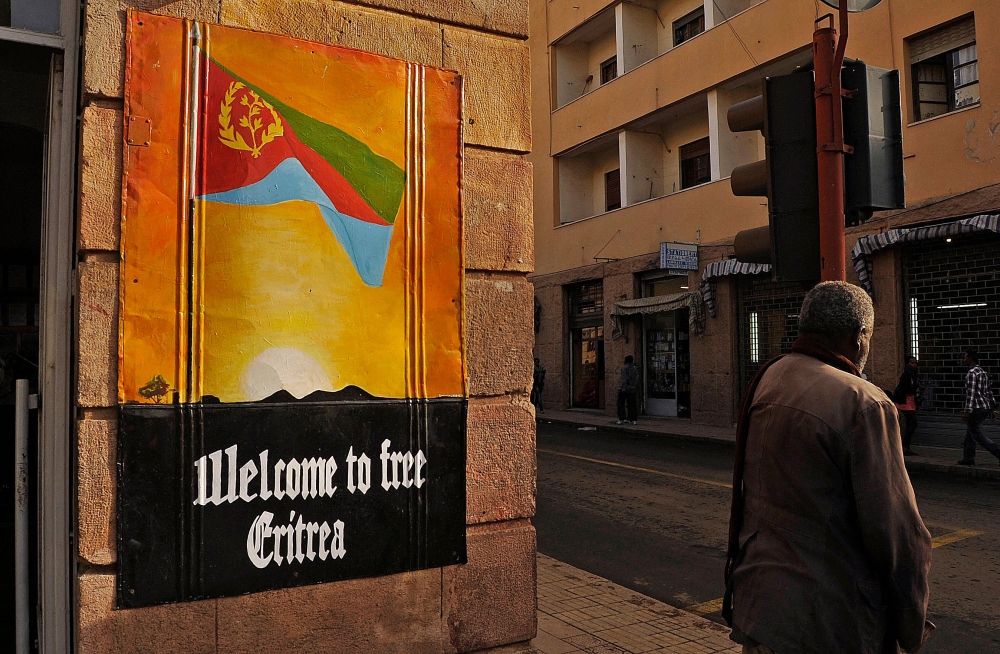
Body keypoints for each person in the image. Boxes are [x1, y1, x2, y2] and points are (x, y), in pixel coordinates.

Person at [724, 282, 933, 654]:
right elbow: (897, 535)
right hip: (827, 623)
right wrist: (911, 627)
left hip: (761, 607)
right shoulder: (863, 402)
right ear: (859, 337)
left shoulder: (769, 378)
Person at [957, 348, 1000, 466]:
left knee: (977, 435)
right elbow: (988, 392)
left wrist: (967, 411)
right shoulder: (983, 373)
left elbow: (970, 394)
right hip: (985, 407)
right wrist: (992, 408)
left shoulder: (972, 373)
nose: (964, 359)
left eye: (965, 357)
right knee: (970, 432)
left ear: (970, 358)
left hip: (976, 408)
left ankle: (998, 453)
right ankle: (968, 458)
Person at [893, 356, 920, 456]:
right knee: (913, 423)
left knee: (910, 424)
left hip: (910, 401)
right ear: (908, 363)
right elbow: (907, 389)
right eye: (912, 363)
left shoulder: (914, 374)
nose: (914, 365)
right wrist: (915, 385)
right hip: (904, 402)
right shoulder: (906, 375)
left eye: (915, 363)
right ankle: (904, 446)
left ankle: (906, 447)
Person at [616, 355, 638, 425]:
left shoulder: (624, 368)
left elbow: (624, 379)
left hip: (626, 388)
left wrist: (622, 388)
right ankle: (633, 419)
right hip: (633, 388)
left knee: (620, 404)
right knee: (632, 404)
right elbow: (636, 378)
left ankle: (622, 418)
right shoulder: (635, 368)